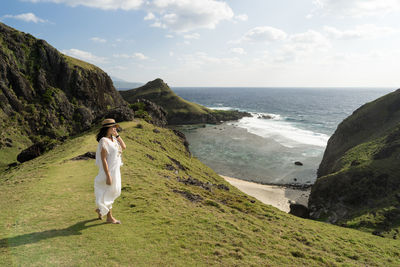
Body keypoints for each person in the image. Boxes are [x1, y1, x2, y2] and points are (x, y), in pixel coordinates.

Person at [94, 118, 126, 224]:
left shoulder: (113, 139)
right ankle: (109, 217)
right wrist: (108, 175)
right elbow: (103, 159)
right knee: (109, 192)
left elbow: (124, 147)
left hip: (115, 170)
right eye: (112, 127)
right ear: (107, 128)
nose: (114, 128)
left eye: (115, 127)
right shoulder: (104, 141)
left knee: (113, 191)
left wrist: (117, 135)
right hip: (109, 171)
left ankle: (101, 210)